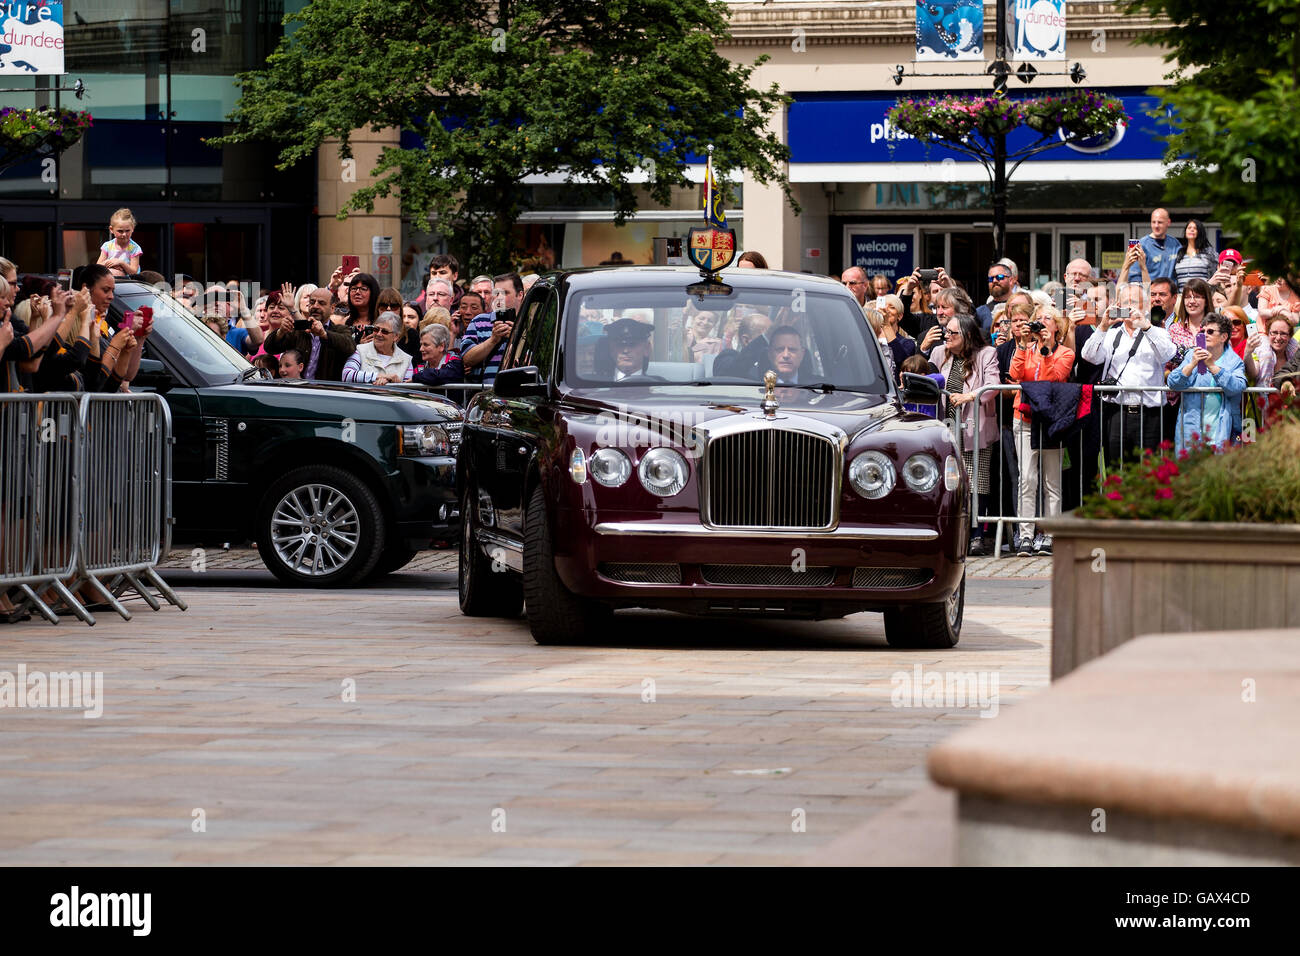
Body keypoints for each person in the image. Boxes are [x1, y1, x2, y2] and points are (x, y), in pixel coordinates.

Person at [929, 313, 1000, 556]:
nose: (946, 335)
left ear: (967, 335)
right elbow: (929, 382)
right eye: (945, 331)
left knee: (976, 481)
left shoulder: (985, 354)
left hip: (975, 429)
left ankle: (977, 534)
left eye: (952, 332)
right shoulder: (939, 354)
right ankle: (951, 532)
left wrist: (969, 396)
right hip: (946, 428)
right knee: (949, 484)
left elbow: (992, 387)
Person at [1081, 289, 1176, 465]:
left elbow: (1167, 355)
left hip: (1150, 414)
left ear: (1146, 306)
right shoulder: (1112, 334)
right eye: (1125, 303)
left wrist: (1145, 326)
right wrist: (1102, 326)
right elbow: (1089, 356)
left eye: (1135, 302)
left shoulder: (1158, 333)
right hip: (1117, 412)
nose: (1130, 307)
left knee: (1150, 471)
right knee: (1116, 469)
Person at [1009, 306, 1075, 556]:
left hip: (1051, 422)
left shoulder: (1065, 353)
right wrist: (1023, 345)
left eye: (1048, 318)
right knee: (1026, 479)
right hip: (1024, 418)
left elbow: (1055, 380)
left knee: (1051, 481)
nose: (1042, 322)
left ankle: (1050, 535)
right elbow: (1015, 375)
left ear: (1057, 326)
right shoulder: (1027, 349)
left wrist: (1046, 352)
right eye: (1039, 319)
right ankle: (1025, 536)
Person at [1167, 314, 1246, 452]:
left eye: (1210, 331)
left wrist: (1212, 367)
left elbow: (1237, 387)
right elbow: (1173, 383)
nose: (1205, 335)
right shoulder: (1192, 354)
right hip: (1192, 432)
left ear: (1224, 337)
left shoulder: (1234, 361)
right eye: (1202, 331)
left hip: (1222, 432)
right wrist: (1192, 364)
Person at [262, 286, 355, 381]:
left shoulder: (340, 330)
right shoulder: (299, 330)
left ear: (332, 308)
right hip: (299, 390)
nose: (315, 306)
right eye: (312, 302)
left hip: (326, 392)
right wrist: (280, 331)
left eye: (321, 303)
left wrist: (324, 334)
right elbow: (269, 348)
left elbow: (349, 347)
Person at [460, 272, 523, 386]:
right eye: (496, 293)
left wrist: (517, 338)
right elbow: (467, 359)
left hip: (519, 395)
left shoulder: (529, 323)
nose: (499, 298)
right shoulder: (479, 321)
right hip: (486, 395)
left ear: (520, 295)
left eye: (505, 293)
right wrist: (493, 340)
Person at [341, 311, 413, 384]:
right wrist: (377, 376)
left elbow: (407, 388)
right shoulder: (360, 350)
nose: (379, 334)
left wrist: (391, 383)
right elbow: (346, 375)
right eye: (376, 329)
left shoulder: (406, 360)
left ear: (396, 336)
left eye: (384, 331)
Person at [1126, 207, 1181, 283]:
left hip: (1171, 292)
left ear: (1168, 222)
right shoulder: (1141, 245)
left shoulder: (1175, 244)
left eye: (1160, 222)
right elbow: (1134, 276)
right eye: (1153, 222)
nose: (1156, 226)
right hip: (1150, 292)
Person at [96, 208, 142, 277]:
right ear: (111, 229)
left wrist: (121, 263)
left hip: (127, 283)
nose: (124, 234)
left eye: (127, 231)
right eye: (120, 231)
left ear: (132, 228)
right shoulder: (107, 246)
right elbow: (97, 267)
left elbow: (134, 272)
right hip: (109, 279)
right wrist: (112, 263)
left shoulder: (135, 248)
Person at [1172, 218, 1217, 289]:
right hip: (1182, 296)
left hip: (1202, 295)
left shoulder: (1209, 252)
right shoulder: (1179, 253)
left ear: (1200, 232)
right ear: (1185, 231)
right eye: (1189, 228)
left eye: (1195, 228)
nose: (1192, 230)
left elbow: (1215, 275)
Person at [877, 294, 917, 371]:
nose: (886, 310)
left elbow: (902, 362)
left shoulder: (907, 343)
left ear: (899, 316)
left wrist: (886, 325)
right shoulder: (872, 337)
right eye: (884, 306)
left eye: (892, 307)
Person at [976, 260, 1018, 334]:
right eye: (991, 279)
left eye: (999, 277)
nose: (994, 281)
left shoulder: (1021, 306)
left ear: (1011, 280)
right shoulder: (980, 312)